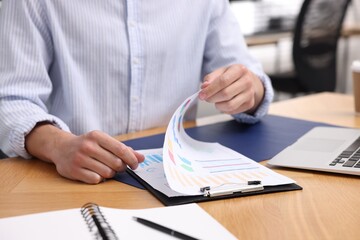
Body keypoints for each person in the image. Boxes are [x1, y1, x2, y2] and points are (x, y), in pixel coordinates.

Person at [0, 0, 273, 184]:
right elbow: (10, 99)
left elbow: (248, 75)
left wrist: (250, 90)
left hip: (178, 176)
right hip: (72, 177)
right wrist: (58, 145)